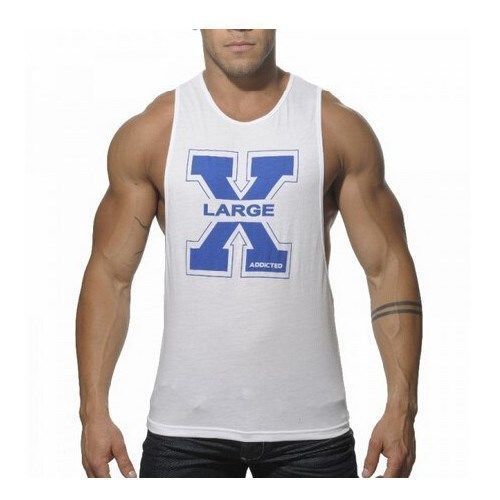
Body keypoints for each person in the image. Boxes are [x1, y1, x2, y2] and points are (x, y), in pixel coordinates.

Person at [76, 29, 422, 478]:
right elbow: (110, 275)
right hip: (184, 429)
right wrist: (92, 413)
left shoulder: (333, 126)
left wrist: (402, 408)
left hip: (311, 432)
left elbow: (387, 266)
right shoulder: (153, 133)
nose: (239, 24)